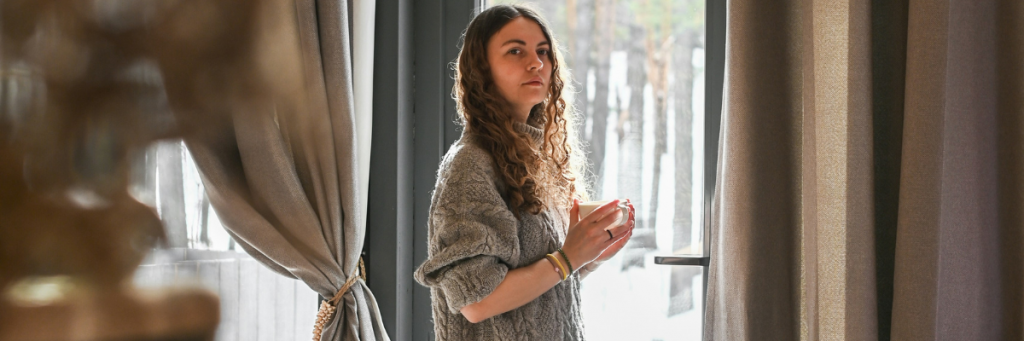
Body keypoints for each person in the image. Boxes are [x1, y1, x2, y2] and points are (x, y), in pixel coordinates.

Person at [413, 5, 636, 340]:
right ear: (481, 69)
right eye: (515, 51)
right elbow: (476, 301)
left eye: (542, 51)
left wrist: (589, 255)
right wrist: (566, 258)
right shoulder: (471, 164)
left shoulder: (534, 157)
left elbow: (540, 287)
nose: (536, 63)